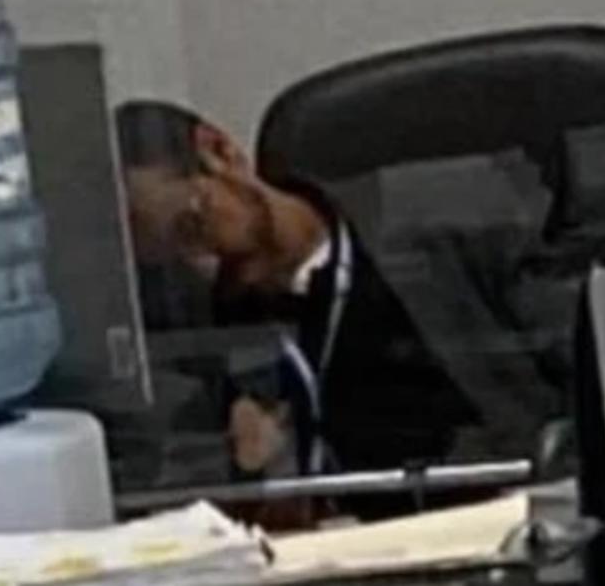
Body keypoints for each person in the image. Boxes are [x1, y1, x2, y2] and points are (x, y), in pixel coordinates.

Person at [115, 101, 481, 480]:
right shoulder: (197, 327)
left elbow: (508, 408)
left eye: (193, 227)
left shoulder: (437, 246)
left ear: (219, 152)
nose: (201, 265)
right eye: (169, 262)